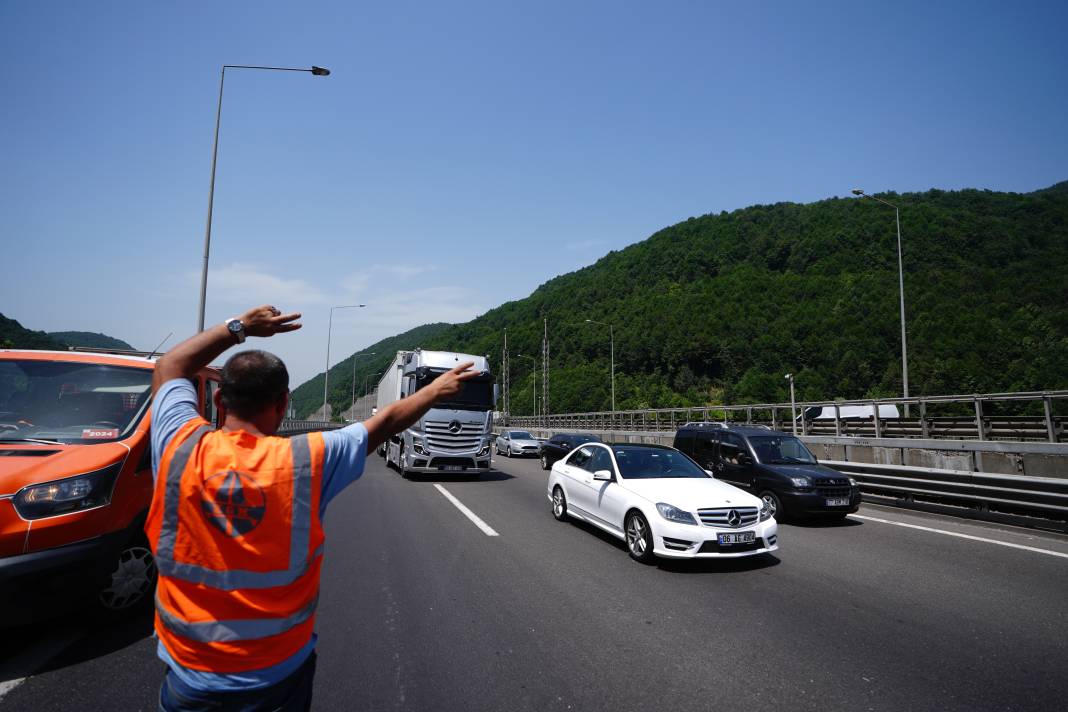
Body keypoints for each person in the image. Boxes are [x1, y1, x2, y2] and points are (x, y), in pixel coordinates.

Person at [146, 304, 478, 711]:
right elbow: (385, 422)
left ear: (218, 400)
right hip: (276, 678)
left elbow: (169, 366)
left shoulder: (177, 446)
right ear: (284, 404)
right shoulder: (307, 460)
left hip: (188, 676)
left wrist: (241, 327)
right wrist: (434, 390)